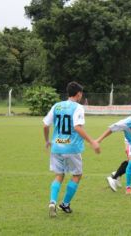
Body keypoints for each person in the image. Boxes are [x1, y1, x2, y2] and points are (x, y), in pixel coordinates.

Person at [43, 81, 100, 217]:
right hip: (72, 148)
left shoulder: (57, 106)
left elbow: (45, 125)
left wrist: (47, 141)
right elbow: (77, 127)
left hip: (56, 147)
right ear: (79, 94)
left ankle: (52, 201)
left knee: (59, 175)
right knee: (77, 175)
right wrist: (92, 141)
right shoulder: (78, 107)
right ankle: (65, 203)